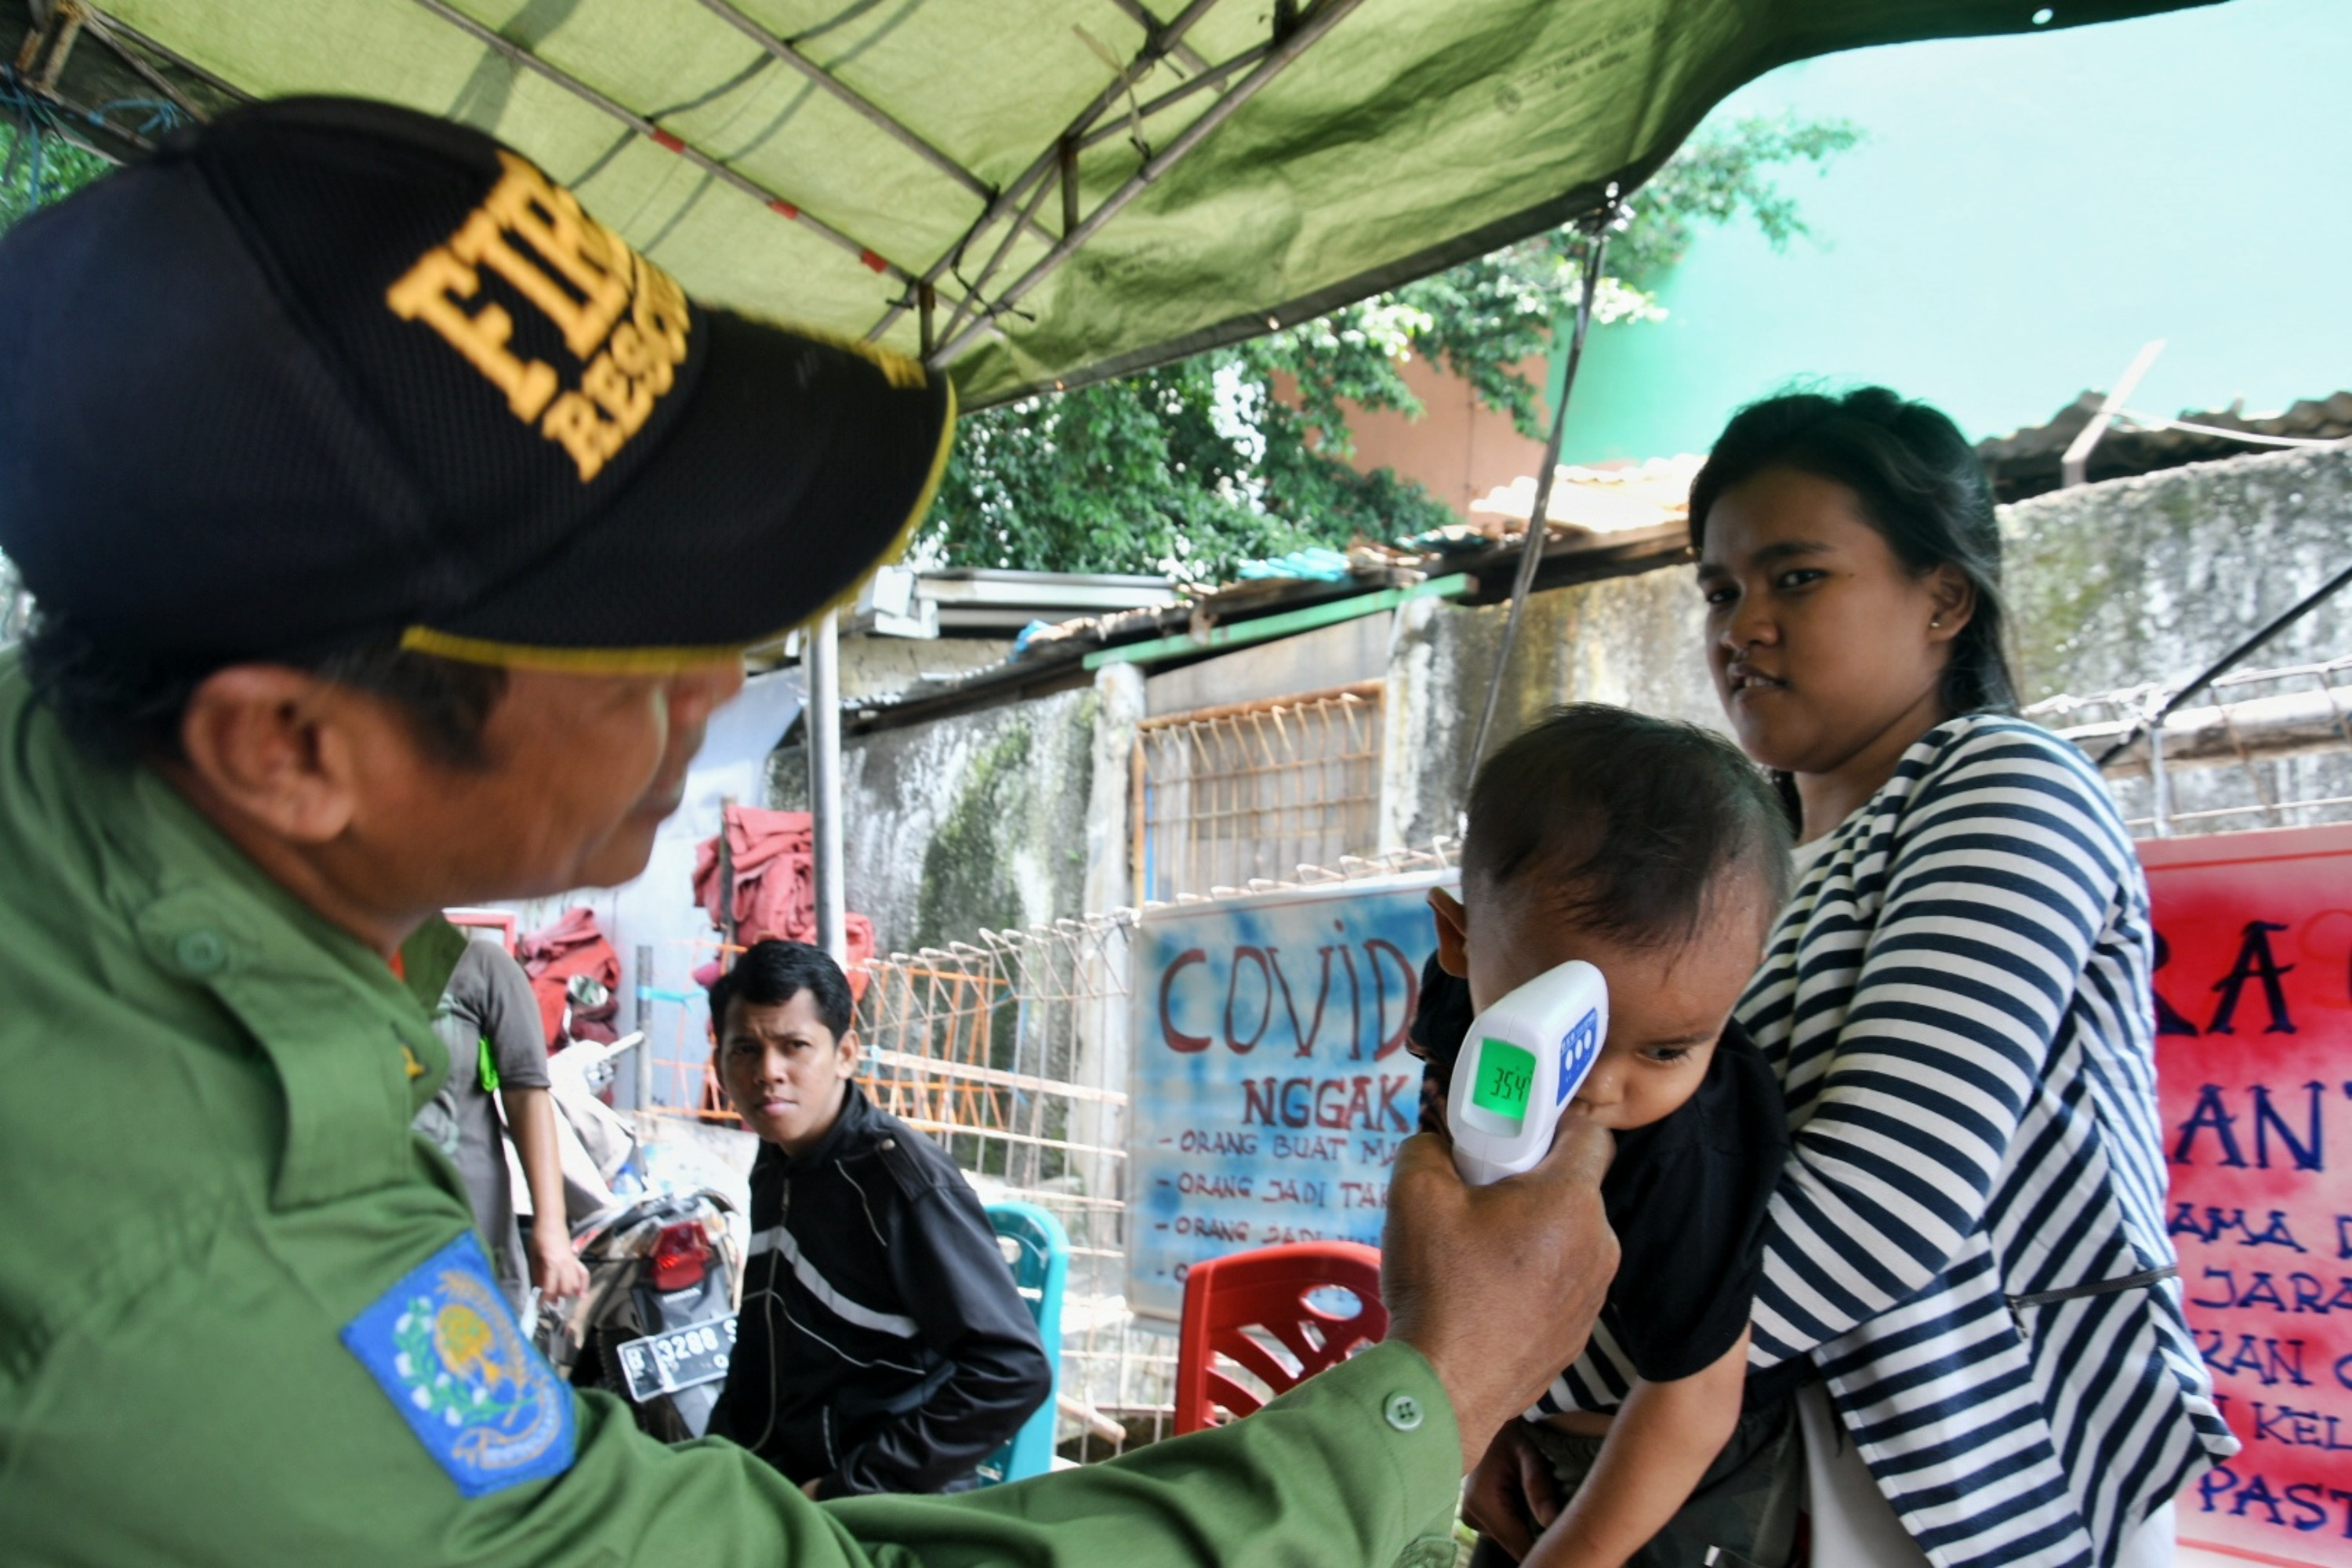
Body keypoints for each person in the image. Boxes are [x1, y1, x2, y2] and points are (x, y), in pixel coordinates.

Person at [0, 96, 1621, 1567]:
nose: (719, 680)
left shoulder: (98, 846)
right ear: (294, 747)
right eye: (633, 633)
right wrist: (1443, 1389)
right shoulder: (210, 1278)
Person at [1469, 387, 2239, 1568]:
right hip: (1723, 1479)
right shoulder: (1743, 865)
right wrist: (1505, 1401)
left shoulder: (2003, 789)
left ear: (1944, 596)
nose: (1743, 626)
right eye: (1720, 590)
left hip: (1961, 1482)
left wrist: (1539, 1369)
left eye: (1797, 578)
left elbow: (1889, 1198)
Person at [1424, 706, 1802, 1568]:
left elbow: (1697, 1398)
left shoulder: (1691, 1146)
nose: (1596, 1087)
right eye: (1567, 1031)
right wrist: (1480, 1428)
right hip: (1527, 1432)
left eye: (1667, 1048)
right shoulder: (1458, 1014)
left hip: (1682, 1465)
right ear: (1460, 940)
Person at [702, 939, 1051, 1496]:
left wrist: (847, 1487)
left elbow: (1012, 1371)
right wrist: (713, 1460)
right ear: (719, 1062)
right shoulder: (777, 1160)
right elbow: (759, 1348)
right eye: (745, 1050)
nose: (769, 1072)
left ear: (846, 1054)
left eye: (795, 1046)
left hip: (885, 1500)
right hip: (782, 1478)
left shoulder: (897, 1181)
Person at [415, 935, 591, 1311]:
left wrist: (552, 1227)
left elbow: (527, 1096)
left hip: (466, 1230)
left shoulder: (479, 966)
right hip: (359, 1233)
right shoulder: (330, 969)